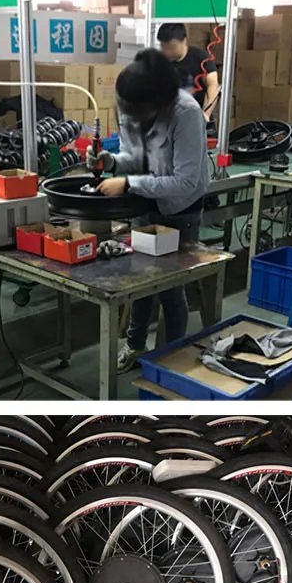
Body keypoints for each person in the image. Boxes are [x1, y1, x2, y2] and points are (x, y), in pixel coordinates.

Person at [87, 48, 211, 373]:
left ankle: (170, 359)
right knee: (139, 279)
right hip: (144, 202)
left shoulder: (186, 113)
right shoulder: (130, 104)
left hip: (180, 209)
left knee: (170, 286)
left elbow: (185, 181)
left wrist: (128, 183)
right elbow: (134, 157)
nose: (129, 116)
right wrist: (111, 163)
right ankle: (135, 345)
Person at [156, 21, 220, 120]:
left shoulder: (200, 57)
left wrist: (205, 114)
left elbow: (213, 85)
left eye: (171, 47)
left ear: (184, 41)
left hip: (196, 118)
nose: (167, 52)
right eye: (163, 47)